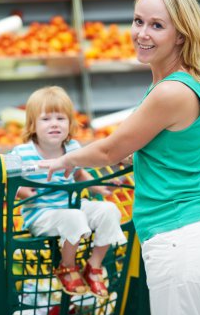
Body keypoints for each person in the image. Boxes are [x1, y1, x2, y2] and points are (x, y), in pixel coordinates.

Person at [39, 0, 200, 315]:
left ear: (182, 35)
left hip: (179, 242)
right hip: (186, 236)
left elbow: (112, 148)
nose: (142, 33)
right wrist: (133, 168)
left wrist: (64, 160)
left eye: (157, 25)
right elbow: (171, 155)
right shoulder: (181, 84)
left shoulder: (170, 91)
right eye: (138, 21)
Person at [10, 86, 126, 298]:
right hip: (41, 213)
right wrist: (24, 192)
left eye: (60, 118)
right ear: (32, 125)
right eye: (46, 119)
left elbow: (80, 175)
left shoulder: (73, 148)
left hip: (71, 206)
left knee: (109, 210)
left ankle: (94, 265)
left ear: (70, 123)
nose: (54, 123)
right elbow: (9, 182)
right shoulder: (22, 152)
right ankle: (67, 266)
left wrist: (98, 188)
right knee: (75, 216)